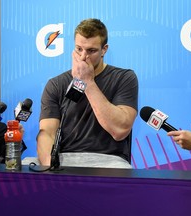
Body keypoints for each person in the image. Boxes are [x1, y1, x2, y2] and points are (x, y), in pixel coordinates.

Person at [36, 18, 138, 169]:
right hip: (64, 158)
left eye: (91, 51)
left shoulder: (124, 78)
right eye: (79, 49)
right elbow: (47, 133)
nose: (83, 56)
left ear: (104, 49)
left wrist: (88, 82)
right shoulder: (56, 84)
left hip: (109, 160)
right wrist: (50, 166)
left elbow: (120, 130)